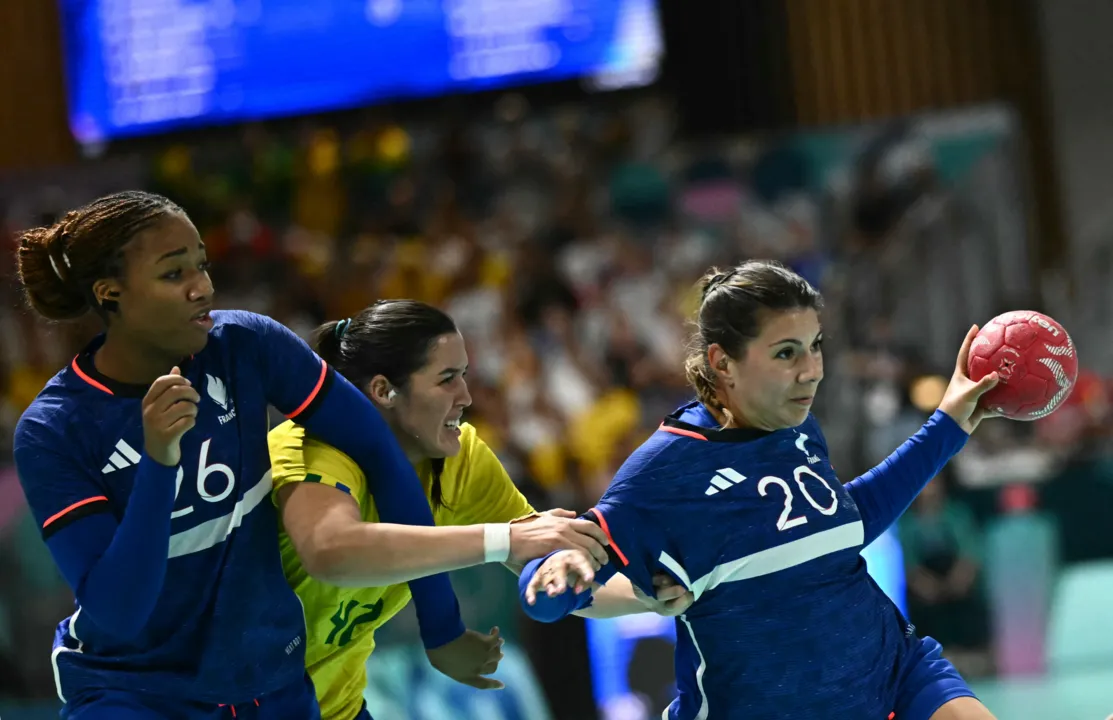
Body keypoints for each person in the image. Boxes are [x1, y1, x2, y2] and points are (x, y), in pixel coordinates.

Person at [12, 191, 495, 719]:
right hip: (135, 695)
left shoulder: (246, 344)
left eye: (201, 264)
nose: (203, 287)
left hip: (271, 681)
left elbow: (381, 455)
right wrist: (158, 463)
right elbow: (120, 612)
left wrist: (442, 628)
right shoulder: (52, 429)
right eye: (174, 275)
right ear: (111, 294)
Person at [519, 260, 1004, 720]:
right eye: (786, 352)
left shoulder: (798, 426)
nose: (811, 369)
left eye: (815, 345)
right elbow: (543, 589)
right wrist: (561, 574)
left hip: (895, 675)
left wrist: (949, 424)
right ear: (722, 362)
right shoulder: (665, 470)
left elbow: (848, 522)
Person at [267, 299, 695, 720]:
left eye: (465, 375)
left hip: (335, 707)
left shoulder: (463, 459)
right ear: (384, 391)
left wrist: (645, 593)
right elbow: (330, 552)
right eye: (446, 379)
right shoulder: (312, 447)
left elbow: (561, 580)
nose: (467, 396)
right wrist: (502, 540)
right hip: (238, 703)